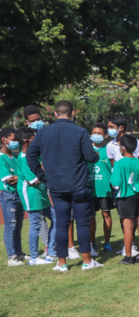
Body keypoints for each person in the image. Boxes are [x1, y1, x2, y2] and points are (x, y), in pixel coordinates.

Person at [27, 100, 101, 272]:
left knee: (61, 223)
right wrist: (96, 155)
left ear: (54, 114)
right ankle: (87, 261)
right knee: (82, 224)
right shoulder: (80, 131)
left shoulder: (43, 133)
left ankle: (61, 262)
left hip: (56, 185)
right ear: (73, 113)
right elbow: (91, 157)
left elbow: (31, 157)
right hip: (78, 184)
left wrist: (42, 176)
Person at [15, 127, 54, 267]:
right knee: (36, 224)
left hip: (41, 192)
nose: (36, 140)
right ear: (27, 140)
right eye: (34, 137)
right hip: (31, 194)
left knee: (55, 218)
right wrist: (45, 171)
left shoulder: (34, 155)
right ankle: (34, 257)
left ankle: (51, 252)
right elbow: (34, 180)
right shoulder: (24, 158)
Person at [110, 134, 139, 265]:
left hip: (126, 196)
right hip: (138, 195)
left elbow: (115, 184)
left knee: (127, 226)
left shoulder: (119, 164)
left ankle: (128, 257)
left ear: (123, 148)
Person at [0, 127, 25, 266]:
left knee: (18, 225)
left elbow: (20, 176)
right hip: (9, 196)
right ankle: (11, 257)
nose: (16, 142)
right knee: (10, 226)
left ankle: (19, 253)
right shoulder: (1, 158)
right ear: (4, 140)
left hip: (19, 194)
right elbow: (9, 179)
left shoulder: (15, 157)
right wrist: (20, 177)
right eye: (14, 139)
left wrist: (19, 177)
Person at [89, 124, 115, 252]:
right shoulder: (86, 149)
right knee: (91, 217)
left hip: (105, 189)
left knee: (106, 214)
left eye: (99, 133)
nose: (96, 135)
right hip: (90, 189)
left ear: (105, 135)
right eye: (94, 132)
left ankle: (107, 243)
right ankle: (92, 243)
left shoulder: (109, 149)